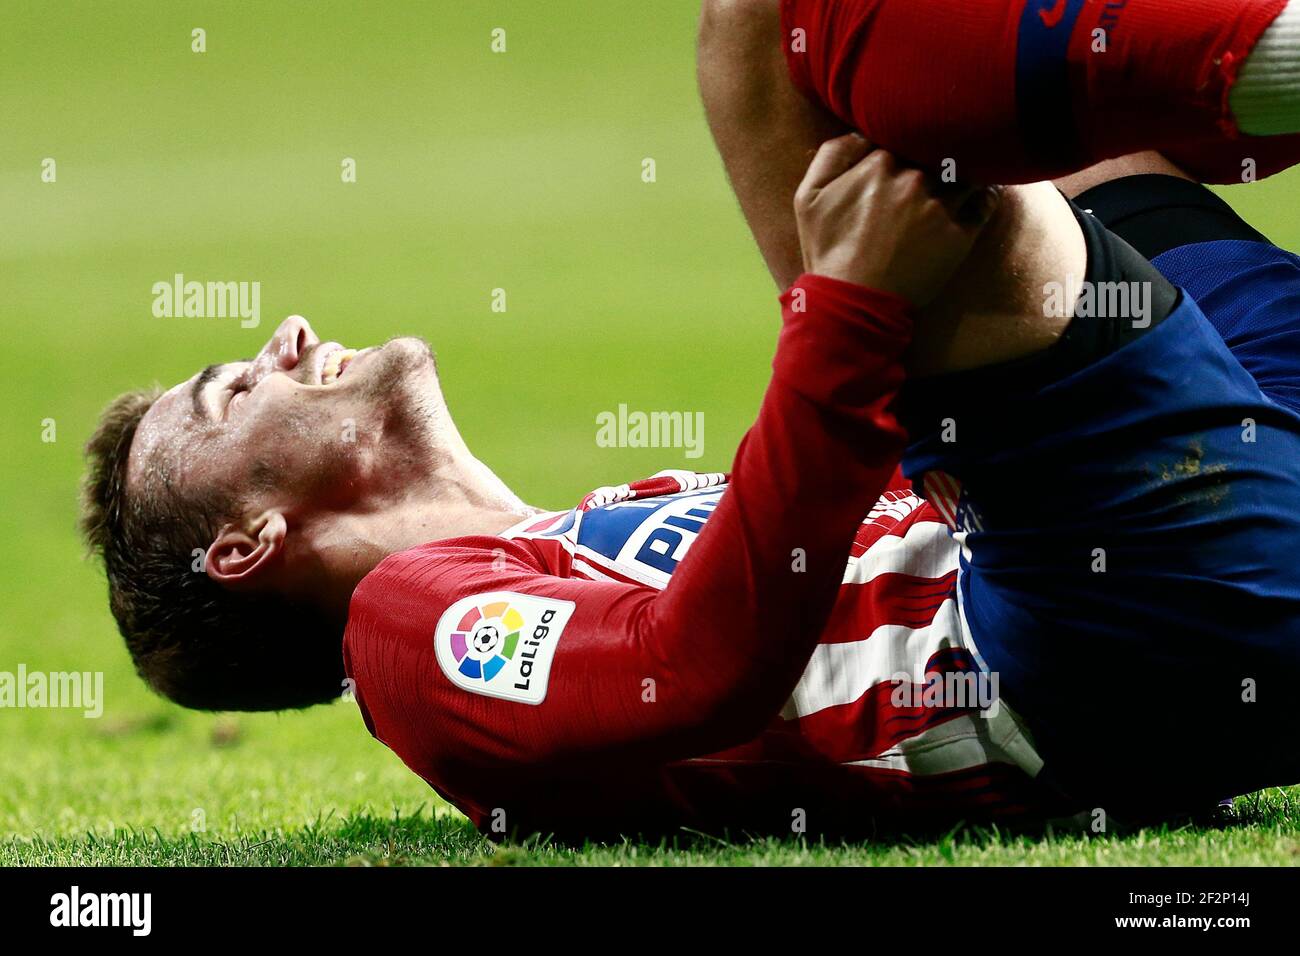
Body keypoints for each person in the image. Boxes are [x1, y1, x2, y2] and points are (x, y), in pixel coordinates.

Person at [80, 0, 1300, 840]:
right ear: (245, 543)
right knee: (766, 38)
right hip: (1109, 642)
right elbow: (692, 674)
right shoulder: (410, 636)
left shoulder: (601, 522)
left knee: (1071, 130)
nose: (284, 337)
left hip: (1193, 562)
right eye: (233, 389)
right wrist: (851, 311)